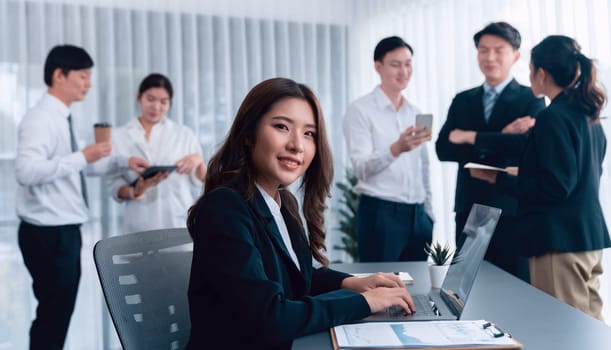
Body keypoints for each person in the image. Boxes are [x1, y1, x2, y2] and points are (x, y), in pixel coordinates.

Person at [186, 77, 415, 349]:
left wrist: (352, 282)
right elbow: (269, 317)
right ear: (248, 133)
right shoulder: (225, 208)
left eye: (309, 134)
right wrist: (364, 302)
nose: (298, 145)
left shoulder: (282, 201)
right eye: (282, 127)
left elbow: (297, 276)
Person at [15, 45, 149, 350]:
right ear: (59, 75)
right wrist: (82, 156)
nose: (88, 83)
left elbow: (77, 168)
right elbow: (26, 171)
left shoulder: (62, 117)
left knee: (56, 314)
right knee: (53, 315)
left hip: (60, 232)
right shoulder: (40, 119)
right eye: (83, 76)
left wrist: (122, 161)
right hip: (49, 233)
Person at [470, 35, 610, 320]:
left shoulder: (552, 116)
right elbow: (581, 173)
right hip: (587, 237)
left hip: (558, 241)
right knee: (591, 329)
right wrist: (527, 172)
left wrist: (498, 179)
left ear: (541, 73)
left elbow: (555, 187)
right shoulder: (587, 112)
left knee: (564, 329)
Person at [435, 22, 545, 282]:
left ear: (516, 55)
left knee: (514, 290)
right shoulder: (463, 100)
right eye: (483, 50)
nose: (490, 57)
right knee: (464, 288)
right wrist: (502, 136)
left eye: (499, 50)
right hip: (469, 208)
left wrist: (470, 137)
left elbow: (526, 148)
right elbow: (443, 149)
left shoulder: (531, 99)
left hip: (511, 209)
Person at [343, 36, 433, 262]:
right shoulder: (360, 110)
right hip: (381, 214)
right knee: (380, 289)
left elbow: (423, 166)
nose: (404, 71)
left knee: (417, 289)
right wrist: (396, 149)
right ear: (378, 66)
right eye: (395, 64)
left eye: (408, 63)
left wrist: (429, 213)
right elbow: (361, 168)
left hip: (418, 215)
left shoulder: (414, 111)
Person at [108, 73, 206, 233]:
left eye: (163, 102)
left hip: (177, 220)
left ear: (170, 103)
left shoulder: (183, 134)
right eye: (150, 99)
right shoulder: (119, 136)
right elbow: (114, 185)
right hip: (139, 224)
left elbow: (203, 180)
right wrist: (135, 191)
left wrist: (199, 160)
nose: (156, 107)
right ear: (139, 96)